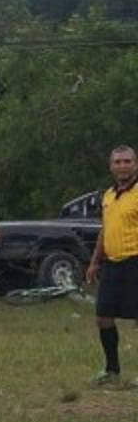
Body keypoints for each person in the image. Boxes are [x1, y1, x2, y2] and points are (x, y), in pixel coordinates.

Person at [87, 145, 138, 387]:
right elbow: (105, 230)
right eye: (118, 162)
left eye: (127, 161)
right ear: (111, 167)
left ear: (135, 164)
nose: (123, 165)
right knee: (103, 316)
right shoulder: (108, 196)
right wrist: (95, 261)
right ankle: (112, 370)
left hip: (135, 261)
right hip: (112, 264)